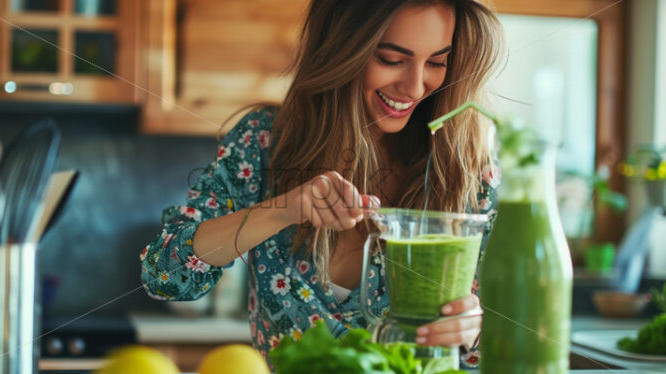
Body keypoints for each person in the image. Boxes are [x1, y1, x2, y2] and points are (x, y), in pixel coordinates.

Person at [141, 0, 503, 368]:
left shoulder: (468, 172)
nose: (414, 86)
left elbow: (510, 339)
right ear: (342, 50)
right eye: (392, 59)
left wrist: (474, 330)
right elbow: (164, 274)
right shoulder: (262, 143)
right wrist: (282, 210)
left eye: (437, 62)